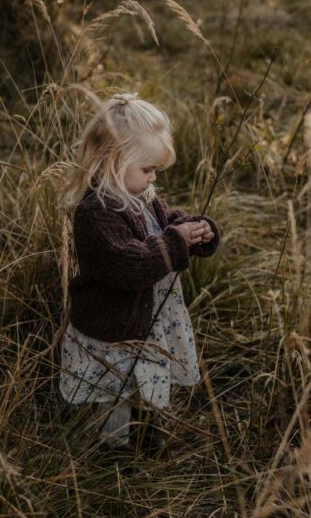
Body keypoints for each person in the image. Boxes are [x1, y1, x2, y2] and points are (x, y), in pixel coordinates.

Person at [59, 91, 220, 453]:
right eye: (146, 169)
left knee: (143, 378)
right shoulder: (96, 212)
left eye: (155, 171)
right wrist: (174, 243)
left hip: (144, 324)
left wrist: (195, 231)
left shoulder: (142, 196)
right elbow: (128, 264)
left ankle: (146, 431)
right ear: (112, 162)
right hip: (114, 328)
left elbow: (168, 223)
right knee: (113, 389)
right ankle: (113, 451)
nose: (152, 178)